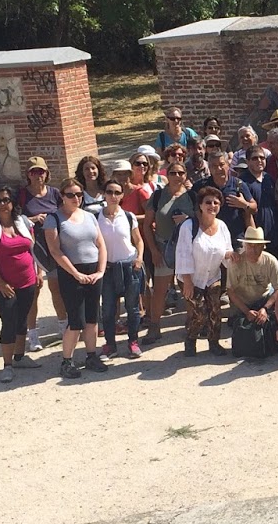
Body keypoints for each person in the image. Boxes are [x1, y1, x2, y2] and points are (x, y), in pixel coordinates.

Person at [45, 176, 109, 380]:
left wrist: (100, 271)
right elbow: (55, 251)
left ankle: (91, 356)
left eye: (79, 194)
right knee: (76, 320)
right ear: (62, 196)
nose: (76, 198)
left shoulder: (89, 216)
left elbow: (100, 244)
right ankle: (67, 361)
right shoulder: (53, 219)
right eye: (71, 195)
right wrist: (75, 273)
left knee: (92, 318)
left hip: (93, 271)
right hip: (70, 273)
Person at [0, 187, 39, 383]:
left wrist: (38, 272)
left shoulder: (24, 222)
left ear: (13, 202)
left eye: (6, 200)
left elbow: (33, 250)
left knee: (22, 319)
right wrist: (1, 283)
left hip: (27, 280)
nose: (2, 204)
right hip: (2, 284)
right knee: (8, 321)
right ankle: (7, 365)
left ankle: (19, 357)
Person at [174, 186, 232, 356]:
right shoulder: (189, 226)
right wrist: (188, 282)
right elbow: (183, 254)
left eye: (216, 203)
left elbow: (226, 250)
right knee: (199, 314)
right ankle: (190, 340)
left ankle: (214, 343)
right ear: (200, 205)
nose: (212, 206)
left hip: (213, 277)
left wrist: (232, 255)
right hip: (191, 278)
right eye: (208, 202)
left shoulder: (222, 226)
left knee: (215, 311)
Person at [143, 157, 194, 342]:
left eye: (181, 173)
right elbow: (147, 225)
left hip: (186, 248)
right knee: (160, 290)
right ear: (167, 175)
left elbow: (201, 220)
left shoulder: (192, 196)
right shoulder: (158, 196)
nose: (177, 176)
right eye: (173, 173)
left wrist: (188, 219)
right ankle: (154, 327)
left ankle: (192, 324)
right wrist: (154, 251)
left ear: (186, 175)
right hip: (163, 247)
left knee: (187, 288)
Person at [95, 179, 144, 359]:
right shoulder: (96, 218)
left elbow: (138, 240)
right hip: (108, 268)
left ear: (122, 195)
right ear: (104, 194)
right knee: (108, 309)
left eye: (117, 192)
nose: (113, 196)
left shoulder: (128, 216)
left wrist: (139, 258)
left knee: (132, 308)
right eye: (109, 192)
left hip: (129, 266)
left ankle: (133, 342)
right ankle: (110, 345)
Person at [18, 155, 64, 344]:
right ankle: (33, 335)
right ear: (28, 175)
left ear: (46, 173)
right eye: (33, 172)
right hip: (31, 248)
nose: (38, 175)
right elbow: (14, 220)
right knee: (33, 291)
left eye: (41, 171)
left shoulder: (54, 193)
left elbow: (64, 214)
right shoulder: (21, 195)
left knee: (56, 288)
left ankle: (63, 327)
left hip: (53, 246)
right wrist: (33, 220)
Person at [225, 227, 278, 358]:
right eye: (249, 246)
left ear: (263, 246)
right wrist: (246, 311)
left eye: (257, 246)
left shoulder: (270, 261)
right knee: (240, 325)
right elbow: (230, 291)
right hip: (242, 302)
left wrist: (265, 308)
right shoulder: (235, 263)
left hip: (264, 299)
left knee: (277, 317)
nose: (253, 250)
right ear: (244, 246)